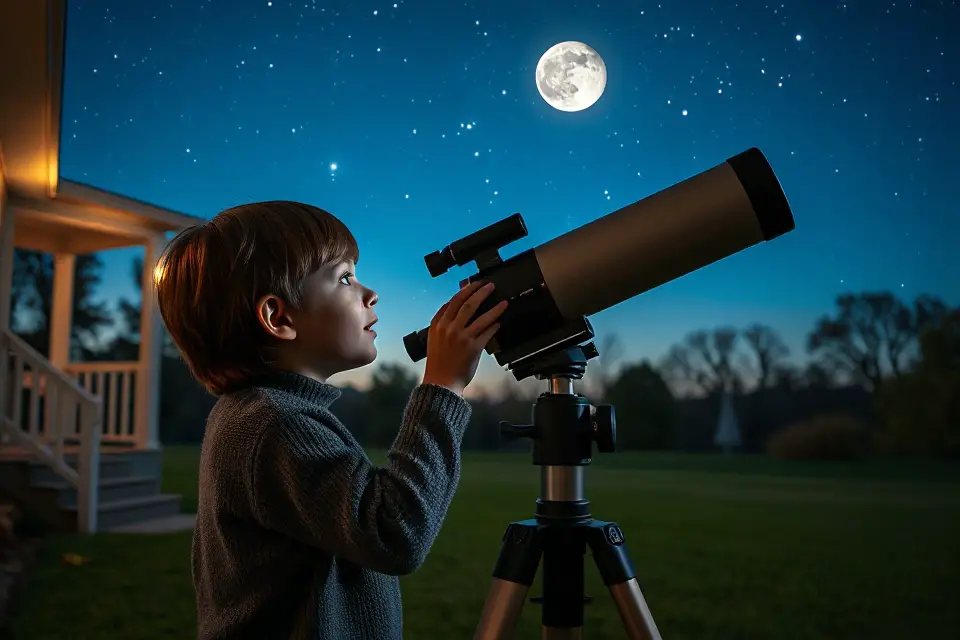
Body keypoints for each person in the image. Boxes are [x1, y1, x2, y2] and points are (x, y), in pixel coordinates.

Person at [154, 200, 508, 640]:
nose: (370, 293)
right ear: (277, 317)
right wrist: (443, 386)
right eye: (344, 278)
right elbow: (394, 531)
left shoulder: (262, 415)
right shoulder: (270, 425)